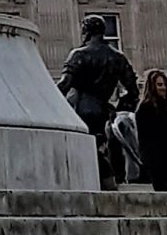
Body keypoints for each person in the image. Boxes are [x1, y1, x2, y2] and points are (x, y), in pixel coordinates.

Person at [58, 15, 140, 187]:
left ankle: (105, 184)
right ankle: (107, 183)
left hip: (79, 107)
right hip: (102, 109)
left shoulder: (79, 54)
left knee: (86, 151)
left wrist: (50, 101)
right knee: (98, 148)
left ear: (87, 31)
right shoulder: (117, 57)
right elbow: (133, 90)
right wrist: (120, 108)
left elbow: (65, 83)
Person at [134, 68, 167, 192]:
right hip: (158, 159)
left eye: (164, 84)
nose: (163, 87)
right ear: (151, 86)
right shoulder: (146, 109)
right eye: (159, 84)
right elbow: (159, 134)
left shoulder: (164, 107)